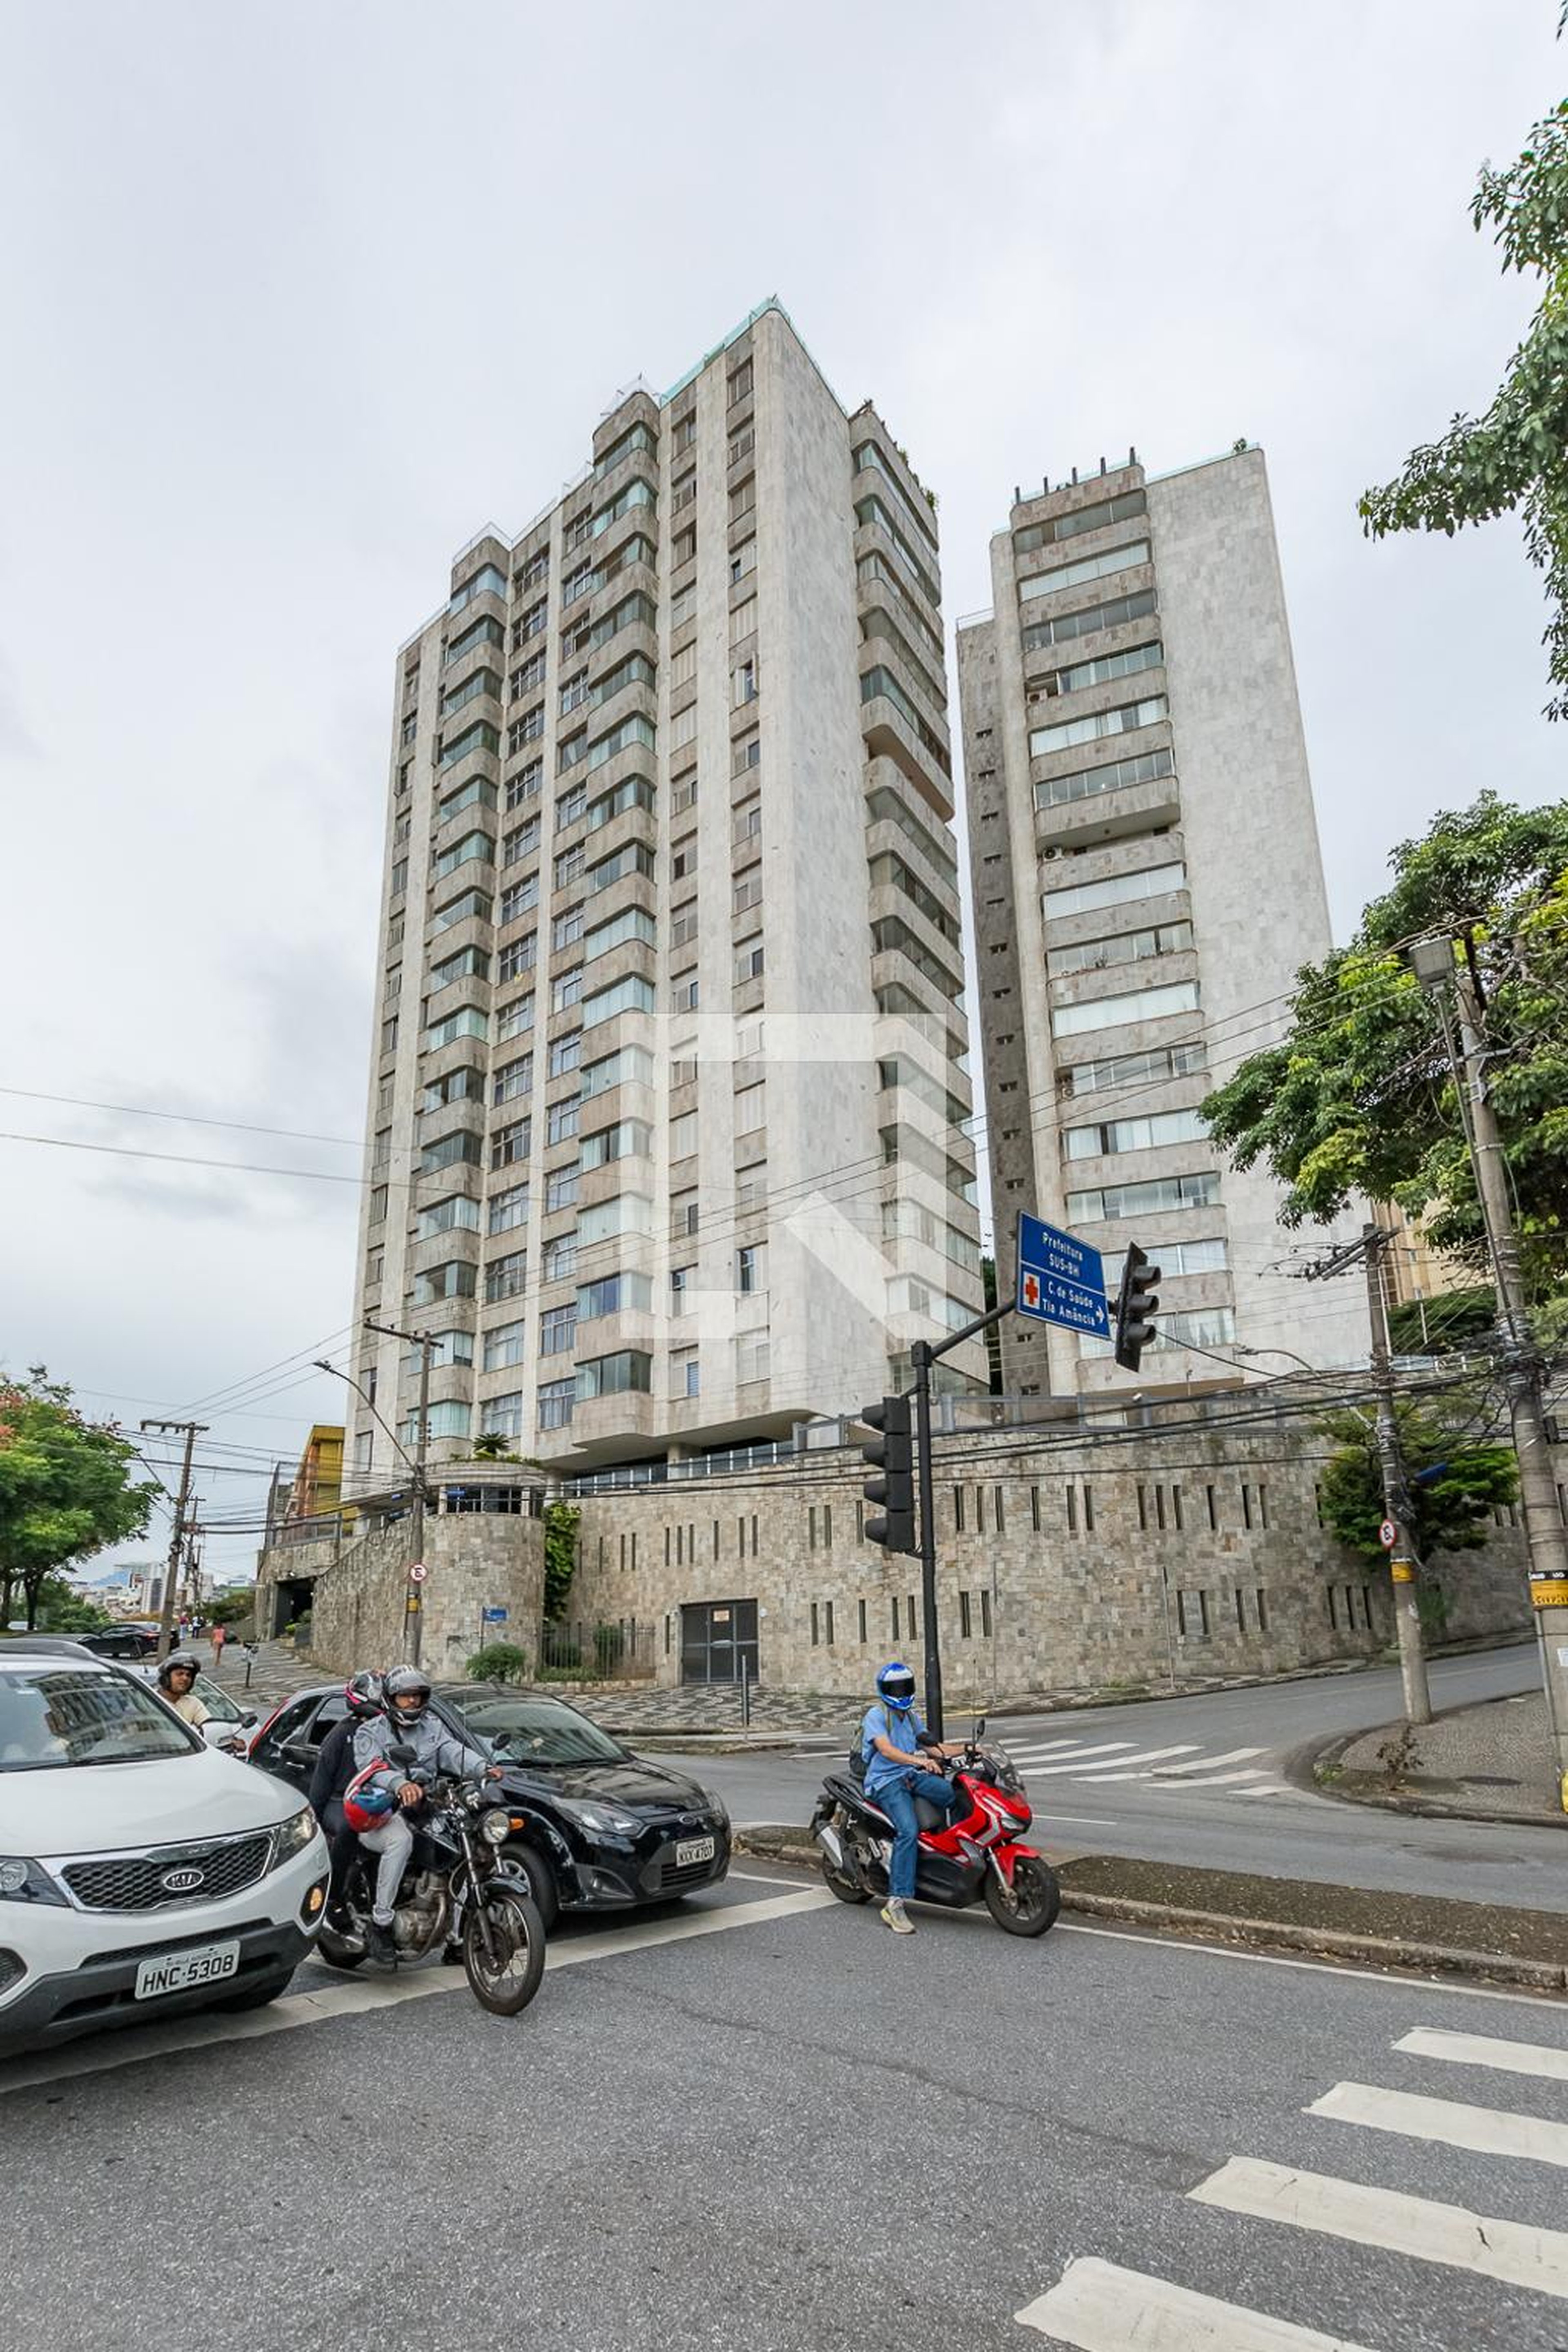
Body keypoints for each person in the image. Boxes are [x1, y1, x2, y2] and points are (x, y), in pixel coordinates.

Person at [350, 1666, 498, 1962]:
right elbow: (372, 1768)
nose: (413, 1703)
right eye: (406, 1697)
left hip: (425, 1806)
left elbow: (453, 1751)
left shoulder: (432, 1727)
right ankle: (381, 1923)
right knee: (400, 1842)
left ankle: (457, 1937)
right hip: (381, 1812)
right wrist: (400, 1783)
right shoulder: (370, 1731)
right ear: (392, 1699)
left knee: (462, 1847)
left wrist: (483, 1767)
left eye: (418, 1696)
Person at [860, 1661, 965, 1936]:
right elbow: (887, 1751)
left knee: (953, 1795)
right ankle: (895, 1902)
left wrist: (972, 1749)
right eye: (896, 1687)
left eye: (905, 1686)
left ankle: (953, 1859)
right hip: (886, 1782)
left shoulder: (911, 1718)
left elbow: (936, 1748)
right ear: (884, 1690)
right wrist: (919, 1762)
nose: (901, 1691)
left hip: (910, 1775)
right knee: (908, 1830)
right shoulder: (876, 1715)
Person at [310, 1672, 385, 1927]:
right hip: (340, 1800)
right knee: (347, 1831)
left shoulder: (387, 1732)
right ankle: (335, 1898)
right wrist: (315, 1818)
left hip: (376, 1799)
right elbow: (322, 1782)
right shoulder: (341, 1734)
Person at [156, 1651, 209, 1730]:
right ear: (166, 1678)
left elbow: (209, 1726)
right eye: (180, 1674)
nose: (185, 1678)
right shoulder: (149, 1701)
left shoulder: (193, 1703)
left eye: (189, 1675)